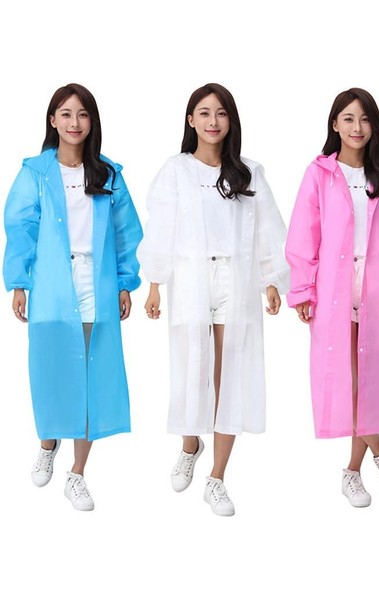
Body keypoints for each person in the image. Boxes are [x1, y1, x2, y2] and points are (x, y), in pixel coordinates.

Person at [139, 83, 289, 516]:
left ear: (231, 121)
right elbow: (161, 227)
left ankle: (217, 477)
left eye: (221, 113)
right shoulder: (176, 170)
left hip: (235, 279)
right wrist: (155, 282)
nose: (212, 121)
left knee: (231, 374)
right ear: (191, 120)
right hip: (190, 277)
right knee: (192, 367)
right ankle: (190, 443)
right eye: (204, 113)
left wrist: (271, 280)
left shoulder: (249, 172)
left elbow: (267, 228)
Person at [3, 83, 143, 511]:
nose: (74, 122)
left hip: (95, 283)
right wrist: (19, 283)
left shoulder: (108, 174)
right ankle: (49, 442)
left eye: (82, 114)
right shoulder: (35, 173)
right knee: (49, 369)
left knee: (91, 375)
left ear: (92, 121)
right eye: (66, 114)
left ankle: (77, 473)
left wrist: (124, 282)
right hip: (50, 283)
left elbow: (126, 233)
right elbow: (19, 228)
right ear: (52, 120)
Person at [285, 87, 379, 507]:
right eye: (348, 118)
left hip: (375, 286)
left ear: (374, 126)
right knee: (346, 381)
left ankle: (352, 471)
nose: (357, 127)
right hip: (333, 288)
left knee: (368, 380)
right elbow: (303, 235)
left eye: (364, 119)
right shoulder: (320, 174)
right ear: (335, 124)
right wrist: (303, 289)